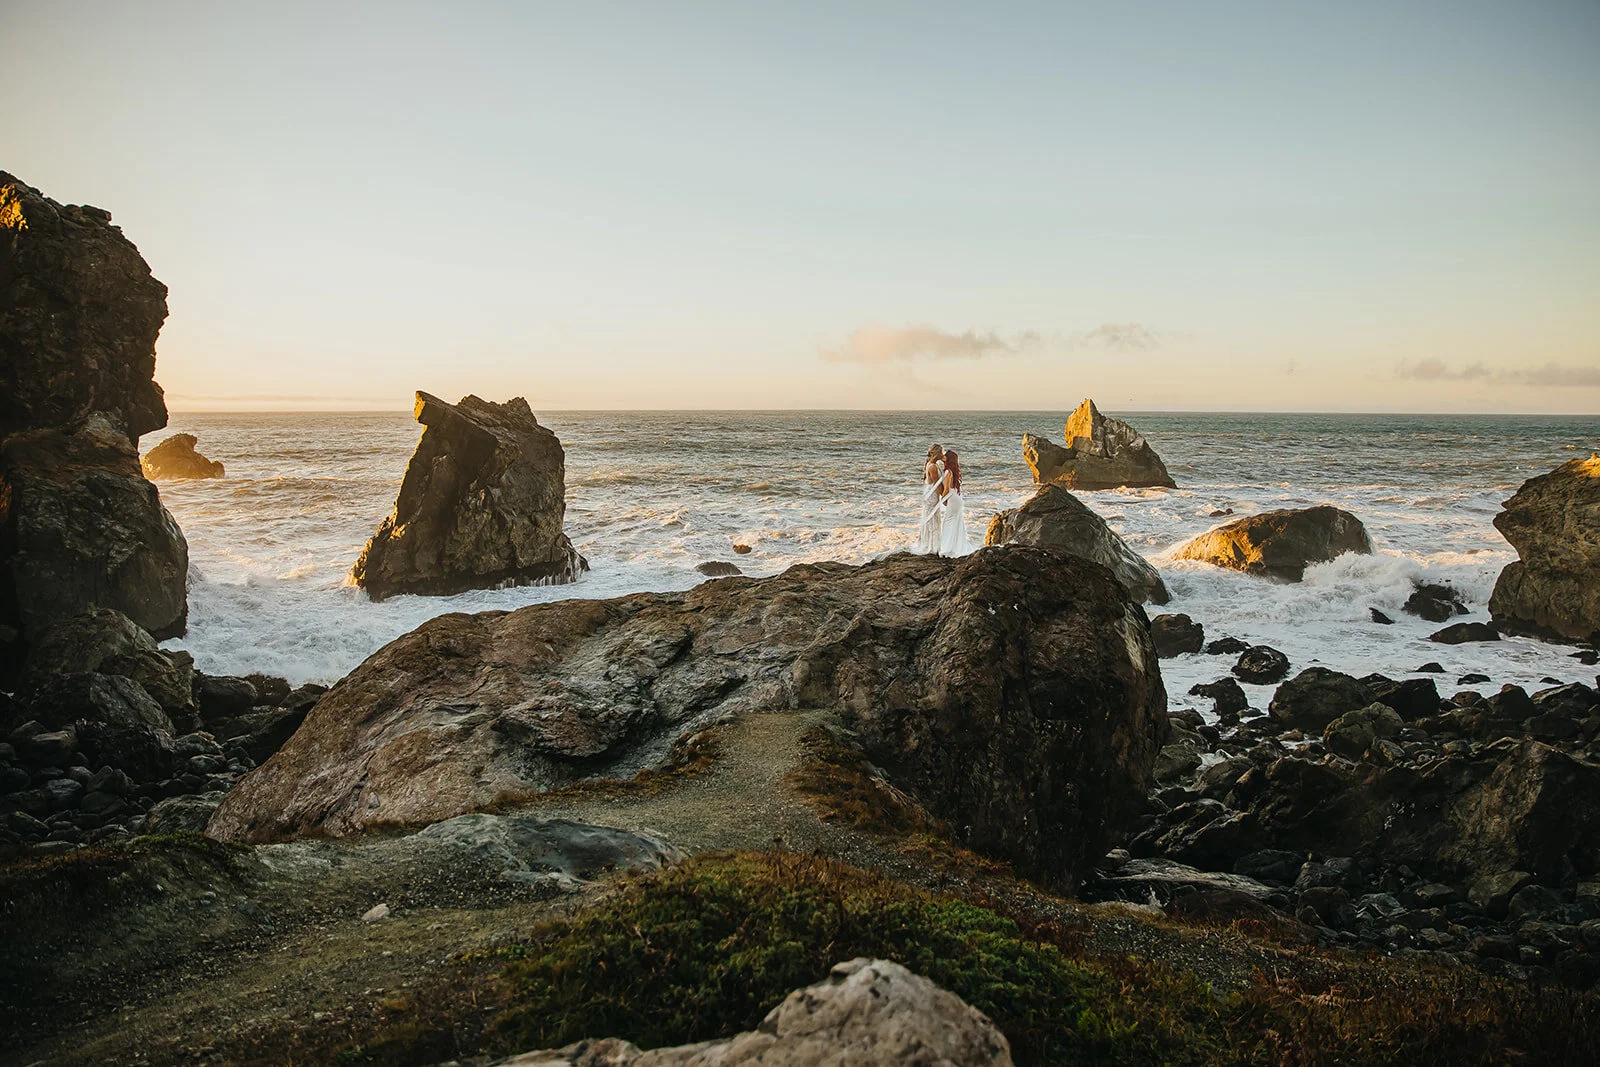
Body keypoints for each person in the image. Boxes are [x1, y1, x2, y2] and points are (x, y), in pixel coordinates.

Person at [937, 448, 974, 556]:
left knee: (948, 522)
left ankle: (947, 548)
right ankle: (954, 547)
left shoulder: (948, 472)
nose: (943, 456)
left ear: (948, 459)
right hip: (956, 498)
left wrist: (943, 500)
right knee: (955, 523)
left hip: (952, 499)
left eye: (945, 455)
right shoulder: (952, 471)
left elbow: (946, 489)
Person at [914, 443, 945, 554]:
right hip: (932, 495)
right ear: (936, 453)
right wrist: (944, 497)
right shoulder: (932, 467)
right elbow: (938, 485)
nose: (943, 454)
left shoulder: (933, 464)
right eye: (941, 452)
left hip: (931, 493)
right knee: (932, 518)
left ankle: (930, 542)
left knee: (932, 517)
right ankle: (931, 545)